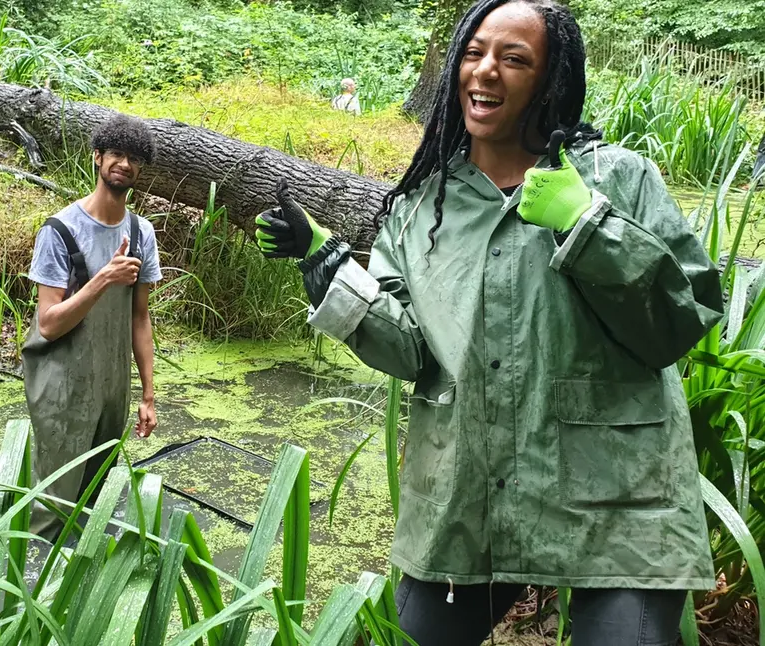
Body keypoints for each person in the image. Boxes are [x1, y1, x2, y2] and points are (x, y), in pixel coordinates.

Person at [254, 1, 723, 644]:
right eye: (473, 53)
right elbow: (414, 351)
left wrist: (588, 226)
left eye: (514, 58)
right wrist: (326, 263)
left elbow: (681, 320)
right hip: (471, 492)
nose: (486, 72)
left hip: (621, 504)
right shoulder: (424, 206)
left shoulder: (619, 179)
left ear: (550, 78)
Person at [22, 114, 162, 542]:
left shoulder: (141, 233)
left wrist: (148, 395)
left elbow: (140, 318)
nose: (125, 163)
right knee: (52, 505)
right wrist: (103, 277)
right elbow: (47, 324)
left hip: (110, 385)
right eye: (117, 153)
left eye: (135, 158)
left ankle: (82, 595)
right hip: (60, 383)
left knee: (96, 498)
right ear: (98, 157)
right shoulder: (60, 230)